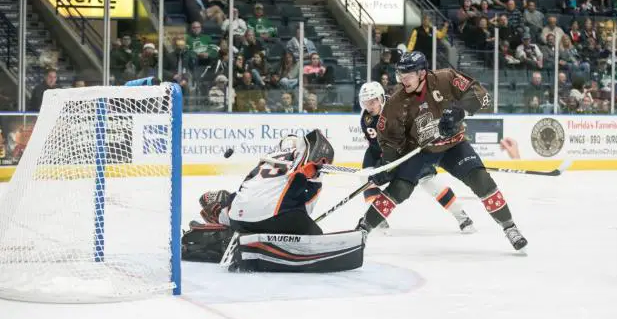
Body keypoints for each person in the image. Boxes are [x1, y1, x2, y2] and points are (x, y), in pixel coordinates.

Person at [356, 51, 528, 251]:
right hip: (421, 152)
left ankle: (510, 227)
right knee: (399, 189)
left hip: (453, 146)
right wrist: (388, 165)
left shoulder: (446, 78)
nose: (403, 80)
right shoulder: (396, 102)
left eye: (407, 75)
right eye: (400, 75)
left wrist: (459, 111)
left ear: (422, 73)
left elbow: (481, 94)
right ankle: (364, 228)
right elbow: (388, 139)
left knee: (481, 180)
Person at [181, 131, 364, 272]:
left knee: (245, 210)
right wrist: (316, 180)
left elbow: (244, 192)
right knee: (313, 232)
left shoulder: (263, 162)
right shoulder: (303, 163)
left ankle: (228, 231)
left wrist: (224, 214)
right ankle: (259, 245)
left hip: (238, 217)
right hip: (272, 218)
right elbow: (306, 210)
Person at [358, 81, 474, 232]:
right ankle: (377, 219)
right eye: (365, 102)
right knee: (366, 178)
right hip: (378, 151)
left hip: (407, 153)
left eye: (373, 101)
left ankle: (462, 217)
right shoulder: (365, 115)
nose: (369, 106)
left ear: (381, 98)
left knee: (430, 183)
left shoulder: (397, 109)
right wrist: (381, 162)